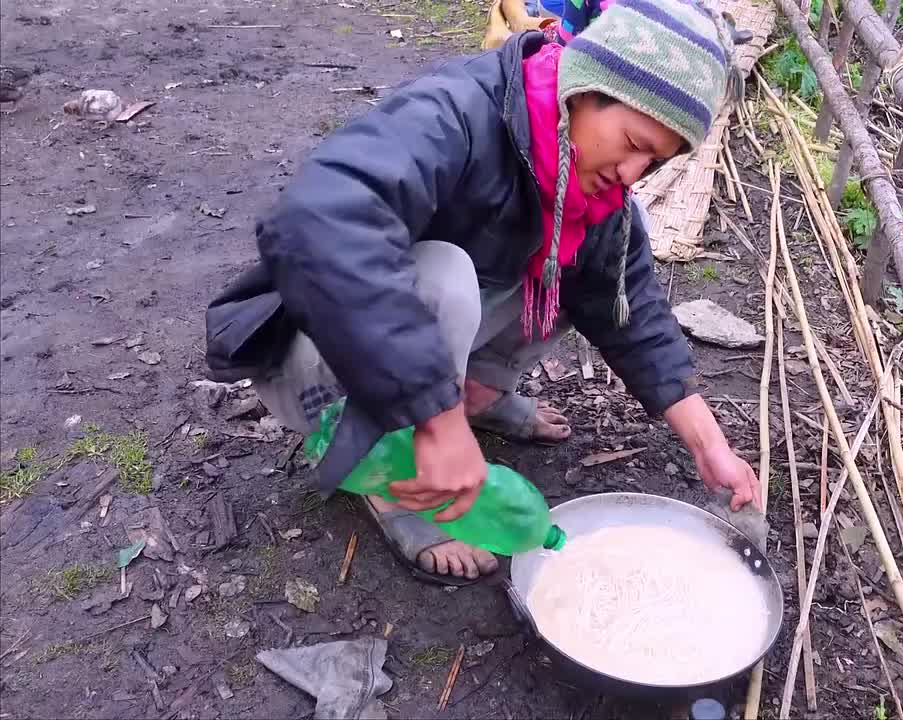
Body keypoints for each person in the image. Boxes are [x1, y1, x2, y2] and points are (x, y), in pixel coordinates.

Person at [204, 0, 760, 585]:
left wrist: (708, 442)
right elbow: (318, 222)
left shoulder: (592, 188)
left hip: (408, 343)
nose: (632, 172)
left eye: (655, 161)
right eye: (633, 141)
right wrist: (436, 422)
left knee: (577, 269)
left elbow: (630, 306)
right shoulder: (455, 113)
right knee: (445, 277)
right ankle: (400, 478)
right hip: (318, 353)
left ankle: (476, 395)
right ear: (586, 87)